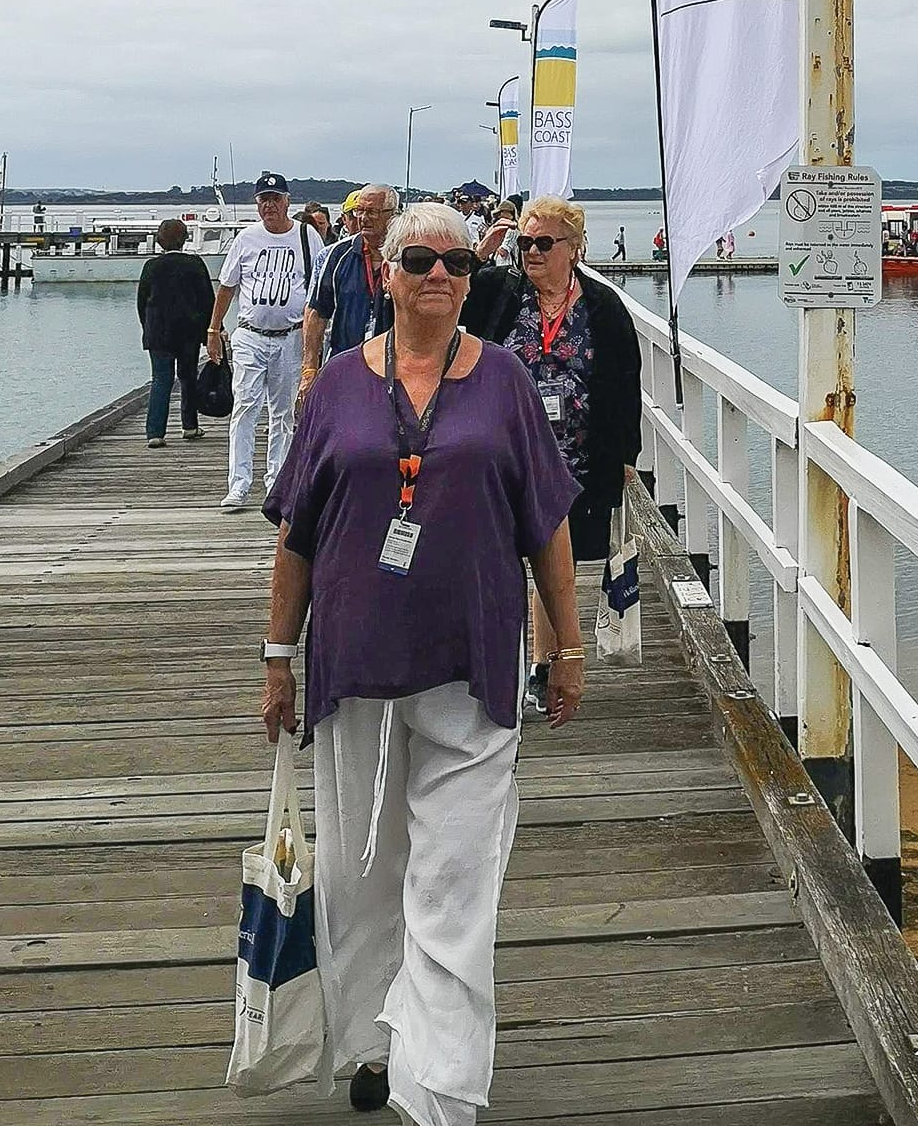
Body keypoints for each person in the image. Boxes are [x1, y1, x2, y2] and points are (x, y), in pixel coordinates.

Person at [260, 201, 584, 1124]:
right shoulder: (333, 392)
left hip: (472, 662)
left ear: (470, 279)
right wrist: (277, 657)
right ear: (385, 272)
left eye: (454, 261)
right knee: (363, 870)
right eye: (418, 259)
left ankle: (436, 1086)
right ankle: (370, 1038)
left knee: (453, 874)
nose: (437, 273)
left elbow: (547, 528)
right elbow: (297, 533)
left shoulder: (508, 384)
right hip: (353, 667)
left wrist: (568, 645)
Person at [463, 196, 642, 715]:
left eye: (544, 243)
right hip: (500, 454)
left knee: (553, 561)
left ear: (574, 247)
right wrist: (483, 250)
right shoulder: (501, 293)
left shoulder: (603, 307)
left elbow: (625, 383)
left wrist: (624, 455)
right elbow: (445, 296)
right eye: (525, 242)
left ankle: (546, 664)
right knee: (499, 558)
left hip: (572, 459)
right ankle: (507, 658)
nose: (532, 252)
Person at [208, 174, 324, 514]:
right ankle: (238, 483)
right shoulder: (246, 239)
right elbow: (227, 286)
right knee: (245, 407)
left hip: (290, 337)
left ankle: (276, 481)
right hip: (251, 335)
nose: (269, 206)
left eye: (275, 199)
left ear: (287, 201)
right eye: (263, 200)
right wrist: (214, 329)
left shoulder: (307, 236)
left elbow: (317, 286)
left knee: (284, 413)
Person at [301, 185, 397, 398]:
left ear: (393, 215)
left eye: (372, 212)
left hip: (396, 371)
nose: (363, 218)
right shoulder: (337, 256)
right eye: (359, 211)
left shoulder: (407, 256)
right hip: (345, 366)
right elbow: (316, 313)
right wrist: (309, 369)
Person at [135, 218, 214, 446]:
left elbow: (142, 302)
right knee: (188, 378)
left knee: (161, 380)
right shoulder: (195, 264)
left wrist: (147, 327)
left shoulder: (151, 266)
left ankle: (155, 432)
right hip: (188, 332)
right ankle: (190, 425)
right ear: (185, 239)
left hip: (158, 332)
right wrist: (210, 330)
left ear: (160, 241)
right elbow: (207, 300)